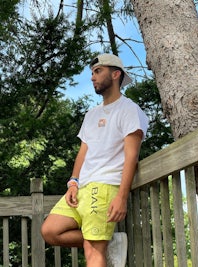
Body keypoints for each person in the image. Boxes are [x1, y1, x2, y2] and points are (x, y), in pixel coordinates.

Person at [41, 53, 149, 267]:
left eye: (98, 71)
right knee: (50, 231)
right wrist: (73, 182)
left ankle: (101, 240)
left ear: (116, 74)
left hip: (105, 186)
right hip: (82, 188)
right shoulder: (91, 114)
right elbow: (83, 152)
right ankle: (109, 240)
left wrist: (121, 197)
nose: (92, 77)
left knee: (93, 253)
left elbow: (131, 157)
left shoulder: (129, 110)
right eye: (92, 73)